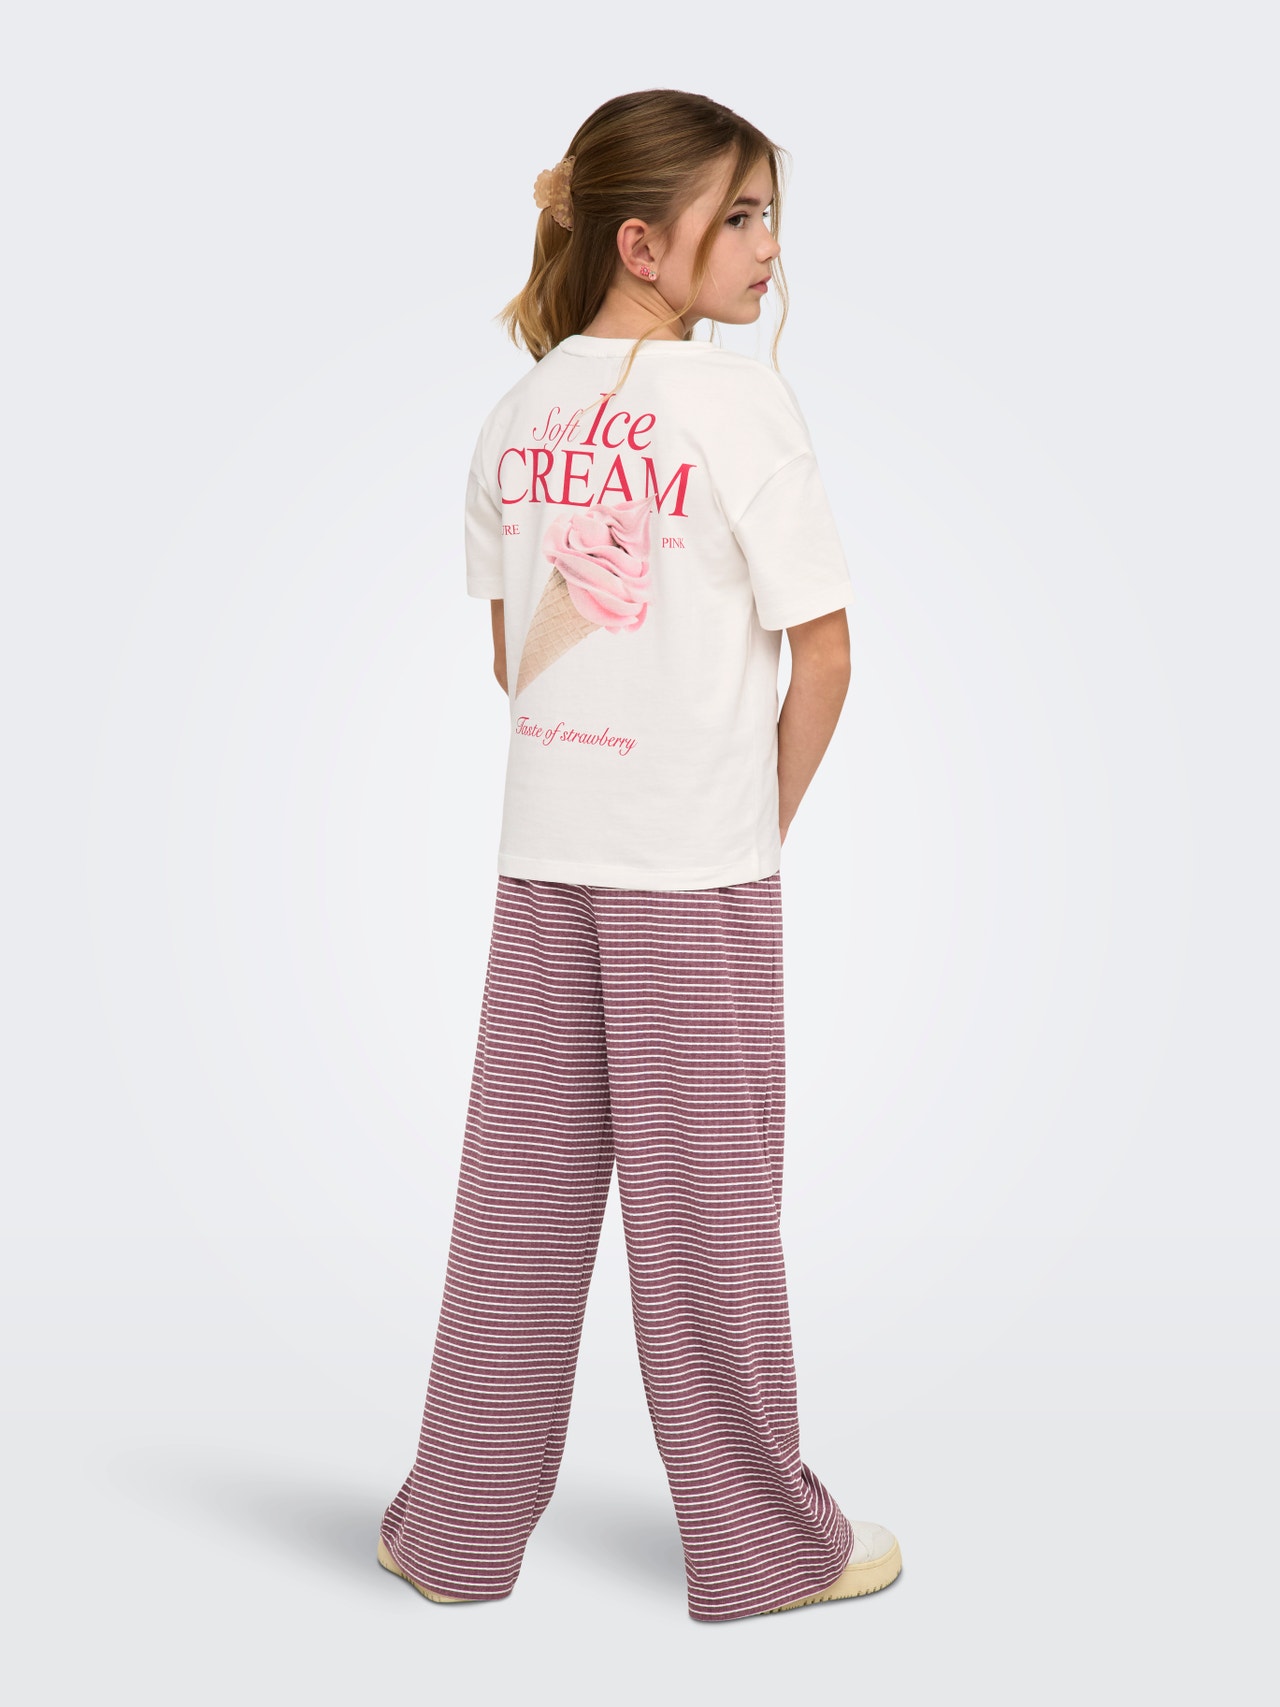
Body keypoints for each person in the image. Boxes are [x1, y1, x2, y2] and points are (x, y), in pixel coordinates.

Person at [377, 87, 902, 1623]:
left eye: (769, 212)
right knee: (709, 1216)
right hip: (690, 873)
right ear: (641, 244)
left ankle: (453, 1530)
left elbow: (511, 656)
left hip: (547, 852)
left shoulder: (517, 414)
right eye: (737, 215)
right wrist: (752, 818)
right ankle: (764, 1547)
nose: (769, 244)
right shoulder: (737, 407)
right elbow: (828, 656)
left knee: (522, 1202)